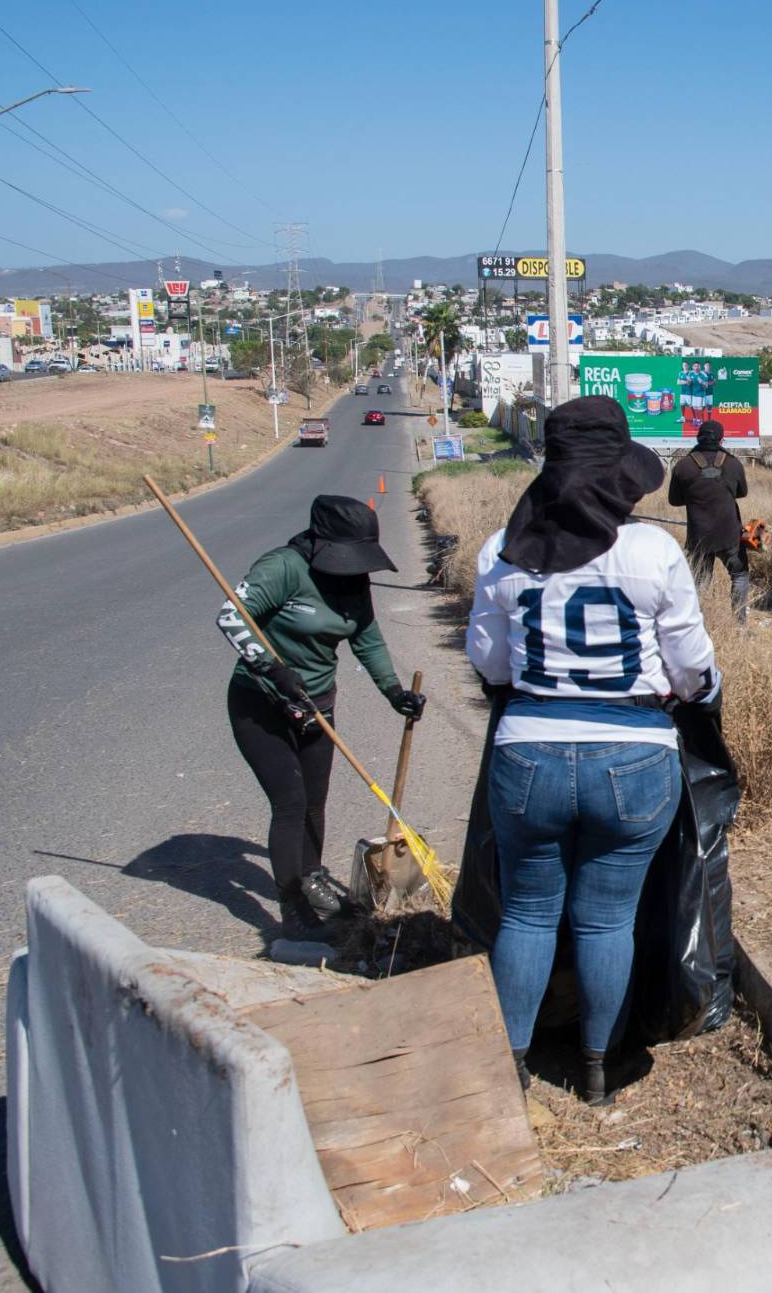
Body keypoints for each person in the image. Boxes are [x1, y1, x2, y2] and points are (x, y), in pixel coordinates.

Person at [468, 395, 719, 1105]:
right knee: (607, 917)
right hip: (633, 757)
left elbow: (488, 662)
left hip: (528, 752)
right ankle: (597, 1070)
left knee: (526, 913)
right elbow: (691, 667)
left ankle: (511, 1064)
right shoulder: (651, 550)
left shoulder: (501, 549)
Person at [219, 496, 425, 939]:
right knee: (290, 803)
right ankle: (291, 903)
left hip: (316, 707)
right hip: (263, 704)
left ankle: (311, 877)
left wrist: (394, 693)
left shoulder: (353, 581)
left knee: (315, 800)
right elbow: (231, 617)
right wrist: (273, 668)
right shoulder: (284, 568)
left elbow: (366, 640)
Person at [666, 418, 751, 622]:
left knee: (699, 584)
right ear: (722, 440)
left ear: (698, 438)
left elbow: (674, 500)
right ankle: (740, 625)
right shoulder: (733, 464)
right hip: (730, 535)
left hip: (699, 537)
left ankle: (696, 624)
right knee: (740, 576)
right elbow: (742, 492)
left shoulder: (683, 466)